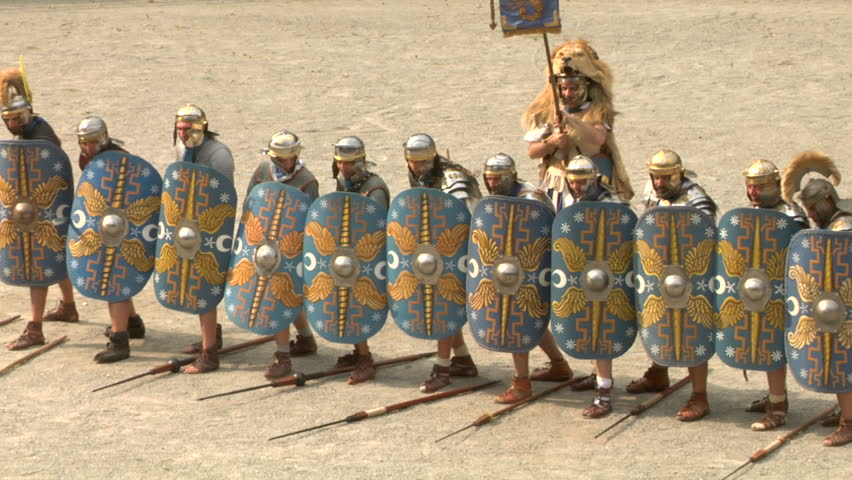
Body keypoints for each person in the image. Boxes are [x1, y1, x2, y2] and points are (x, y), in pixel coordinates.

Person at [630, 149, 718, 421]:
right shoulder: (654, 192)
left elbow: (707, 240)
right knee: (659, 321)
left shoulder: (696, 200)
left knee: (693, 333)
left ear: (679, 174)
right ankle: (659, 372)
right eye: (655, 177)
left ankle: (700, 395)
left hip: (691, 278)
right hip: (661, 271)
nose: (659, 183)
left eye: (666, 178)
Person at [481, 153, 574, 404]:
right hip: (511, 269)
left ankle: (521, 383)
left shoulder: (531, 199)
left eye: (497, 178)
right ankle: (559, 365)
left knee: (515, 321)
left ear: (511, 176)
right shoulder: (497, 198)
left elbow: (547, 234)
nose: (492, 183)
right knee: (531, 322)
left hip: (534, 270)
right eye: (489, 178)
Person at [1, 66, 80, 350]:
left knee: (39, 264)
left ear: (28, 112)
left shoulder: (41, 136)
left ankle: (34, 328)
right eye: (7, 120)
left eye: (16, 118)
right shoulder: (29, 131)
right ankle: (69, 307)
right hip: (37, 208)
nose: (12, 125)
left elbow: (46, 170)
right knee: (55, 253)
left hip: (46, 209)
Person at [782, 151, 852, 446]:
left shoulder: (843, 230)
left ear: (827, 200)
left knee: (843, 360)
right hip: (839, 306)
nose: (809, 214)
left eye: (812, 207)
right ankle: (844, 413)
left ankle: (849, 423)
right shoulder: (831, 227)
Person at [403, 133, 480, 393]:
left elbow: (467, 221)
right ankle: (462, 359)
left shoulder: (453, 181)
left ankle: (442, 368)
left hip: (460, 254)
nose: (418, 167)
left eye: (423, 161)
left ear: (434, 157)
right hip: (438, 251)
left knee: (442, 308)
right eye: (413, 162)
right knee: (442, 306)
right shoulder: (421, 175)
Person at [522, 39, 633, 212]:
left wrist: (571, 121)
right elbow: (532, 152)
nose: (568, 93)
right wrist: (551, 143)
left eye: (573, 88)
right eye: (564, 88)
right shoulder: (546, 112)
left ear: (586, 86)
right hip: (558, 182)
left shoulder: (597, 110)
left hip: (590, 181)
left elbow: (598, 138)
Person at [737, 159, 808, 430]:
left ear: (777, 185)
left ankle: (778, 408)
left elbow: (802, 257)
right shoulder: (753, 215)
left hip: (786, 296)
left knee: (773, 350)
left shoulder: (791, 217)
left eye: (761, 186)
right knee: (766, 346)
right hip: (760, 293)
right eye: (751, 186)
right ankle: (775, 397)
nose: (754, 192)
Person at [244, 130, 320, 379]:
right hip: (265, 245)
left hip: (291, 248)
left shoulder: (307, 182)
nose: (284, 164)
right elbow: (250, 204)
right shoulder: (263, 171)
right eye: (279, 159)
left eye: (288, 159)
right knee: (284, 295)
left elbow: (310, 223)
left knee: (281, 296)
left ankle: (282, 356)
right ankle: (306, 340)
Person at [75, 117, 147, 362]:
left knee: (113, 279)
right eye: (83, 143)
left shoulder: (121, 160)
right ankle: (132, 322)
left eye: (92, 142)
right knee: (119, 276)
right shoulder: (88, 159)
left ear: (104, 137)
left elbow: (135, 192)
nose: (88, 147)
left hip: (123, 227)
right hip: (106, 223)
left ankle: (120, 341)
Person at [172, 104, 234, 373]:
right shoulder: (182, 148)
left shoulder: (219, 155)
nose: (183, 133)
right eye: (180, 128)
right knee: (196, 284)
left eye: (188, 129)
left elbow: (222, 197)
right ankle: (213, 336)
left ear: (202, 127)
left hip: (210, 230)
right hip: (188, 227)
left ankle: (209, 355)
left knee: (204, 285)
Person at [330, 136, 389, 384]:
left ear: (361, 162)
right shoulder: (344, 183)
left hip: (369, 259)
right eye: (341, 163)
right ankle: (358, 351)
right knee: (344, 301)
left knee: (356, 306)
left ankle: (365, 359)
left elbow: (376, 228)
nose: (344, 168)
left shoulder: (374, 188)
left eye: (350, 163)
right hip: (348, 255)